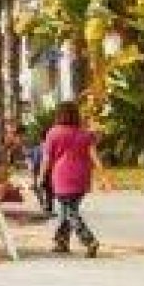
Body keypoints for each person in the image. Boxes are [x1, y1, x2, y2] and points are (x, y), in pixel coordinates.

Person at [39, 102, 101, 258]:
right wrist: (104, 176)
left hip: (63, 176)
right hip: (82, 176)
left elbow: (47, 159)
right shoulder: (84, 134)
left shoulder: (54, 132)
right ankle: (62, 241)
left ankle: (89, 240)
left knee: (70, 212)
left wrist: (41, 176)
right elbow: (94, 155)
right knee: (67, 210)